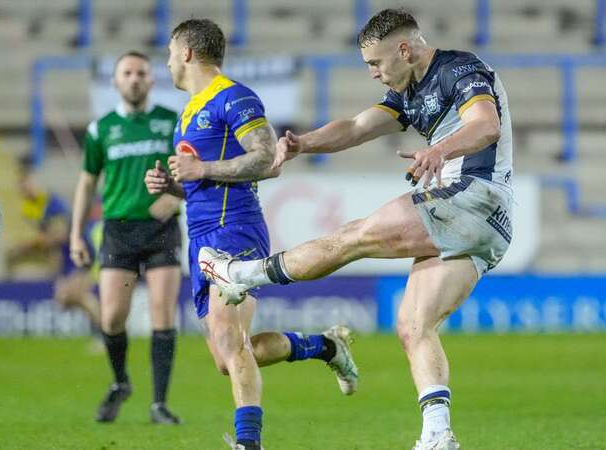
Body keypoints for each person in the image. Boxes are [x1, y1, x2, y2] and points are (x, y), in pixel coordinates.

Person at [199, 8, 514, 450]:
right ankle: (438, 435)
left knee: (354, 237)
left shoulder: (459, 69)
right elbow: (356, 128)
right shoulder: (408, 91)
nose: (373, 74)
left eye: (375, 63)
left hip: (472, 197)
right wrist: (302, 144)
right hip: (488, 228)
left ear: (404, 50)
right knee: (413, 325)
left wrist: (439, 149)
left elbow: (486, 125)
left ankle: (243, 276)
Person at [143, 19, 359, 450]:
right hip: (201, 236)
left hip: (235, 228)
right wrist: (174, 186)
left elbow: (265, 159)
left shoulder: (234, 96)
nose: (166, 61)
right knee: (228, 359)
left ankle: (249, 443)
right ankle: (325, 346)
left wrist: (200, 169)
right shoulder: (188, 112)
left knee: (230, 340)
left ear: (187, 52)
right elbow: (201, 185)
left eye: (169, 52)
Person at [69, 50, 184, 425]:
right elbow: (87, 183)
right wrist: (76, 235)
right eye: (127, 73)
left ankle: (159, 404)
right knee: (112, 317)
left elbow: (188, 169)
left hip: (161, 230)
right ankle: (121, 383)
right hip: (118, 230)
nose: (134, 78)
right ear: (117, 82)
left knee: (161, 313)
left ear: (151, 80)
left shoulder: (171, 122)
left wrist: (173, 195)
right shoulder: (100, 130)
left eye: (141, 73)